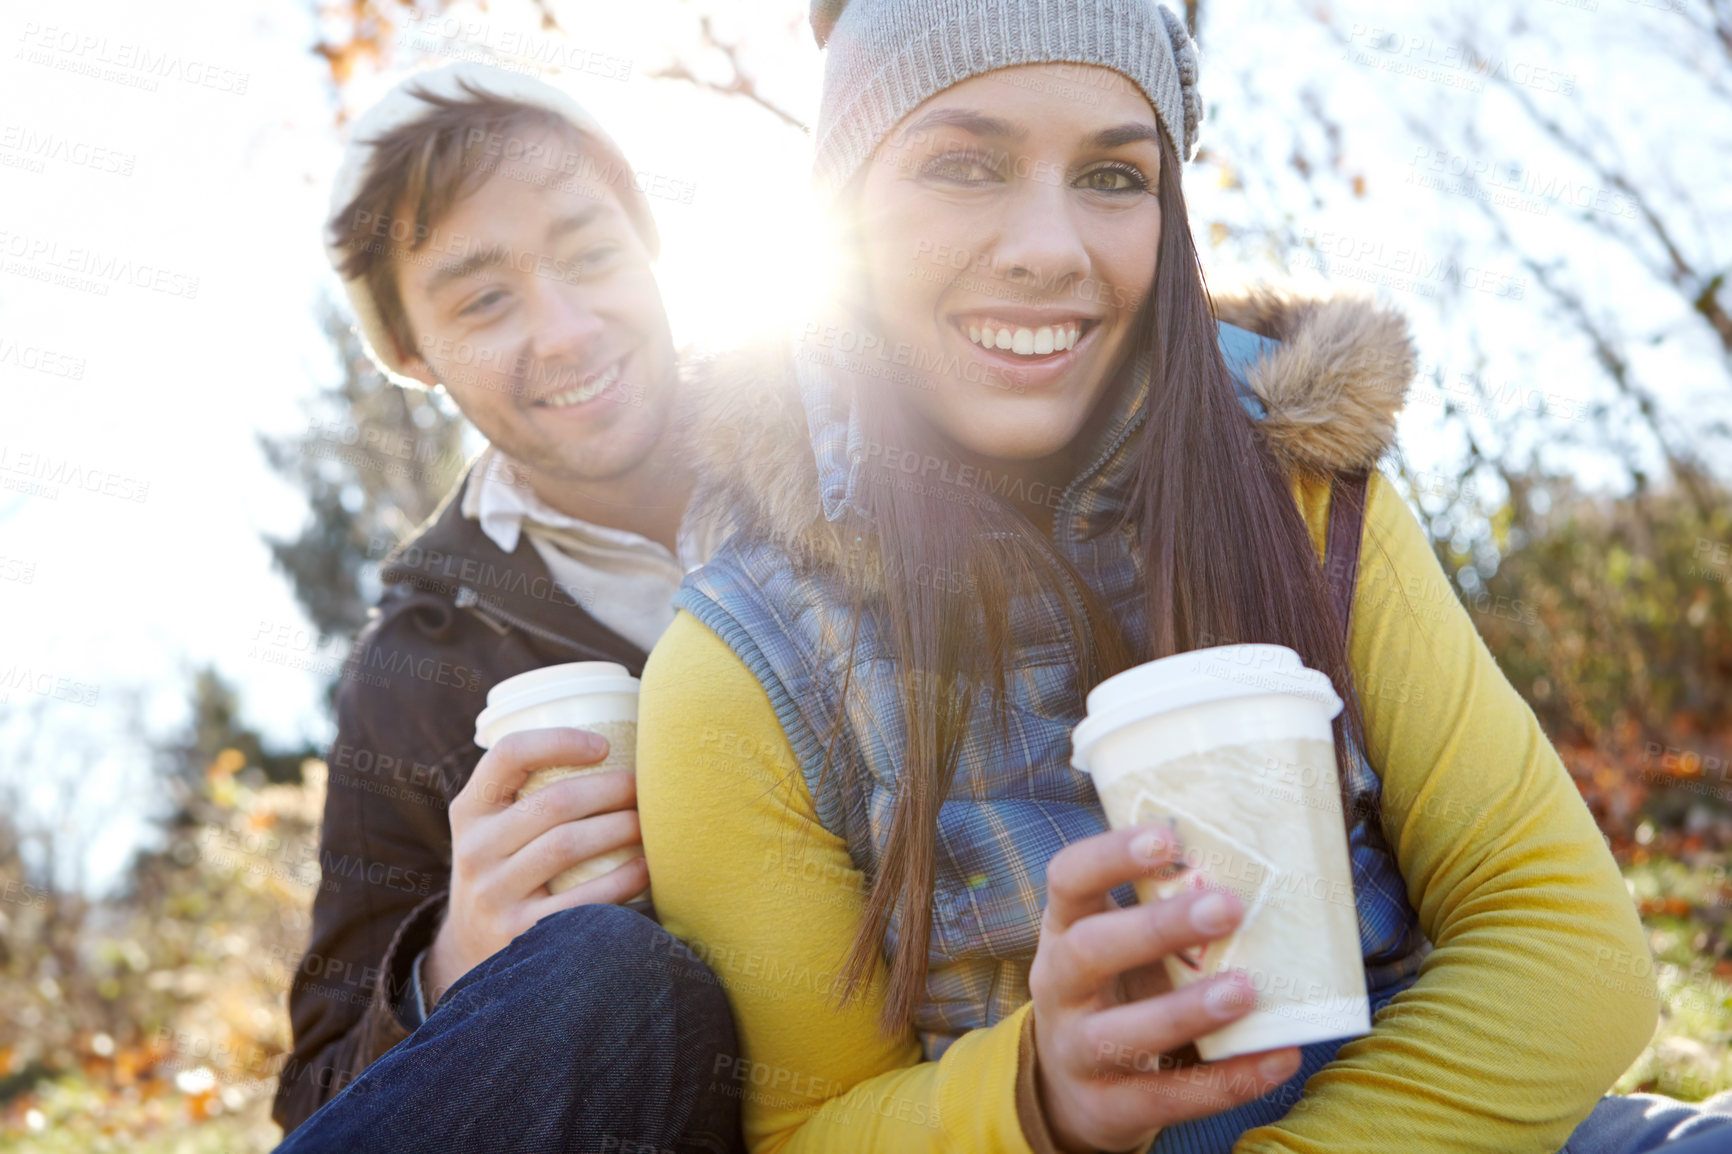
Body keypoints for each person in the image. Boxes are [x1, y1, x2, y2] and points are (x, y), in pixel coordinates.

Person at [635, 2, 1732, 1152]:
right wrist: (1036, 1098)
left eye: (1114, 176)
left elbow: (1568, 942)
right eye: (964, 164)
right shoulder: (737, 664)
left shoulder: (1298, 483)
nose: (1051, 246)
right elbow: (810, 1124)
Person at [272, 62, 741, 1153]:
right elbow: (321, 1093)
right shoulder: (417, 666)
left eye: (589, 254)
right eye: (484, 298)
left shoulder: (857, 456)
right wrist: (451, 964)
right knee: (600, 970)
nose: (567, 329)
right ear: (410, 355)